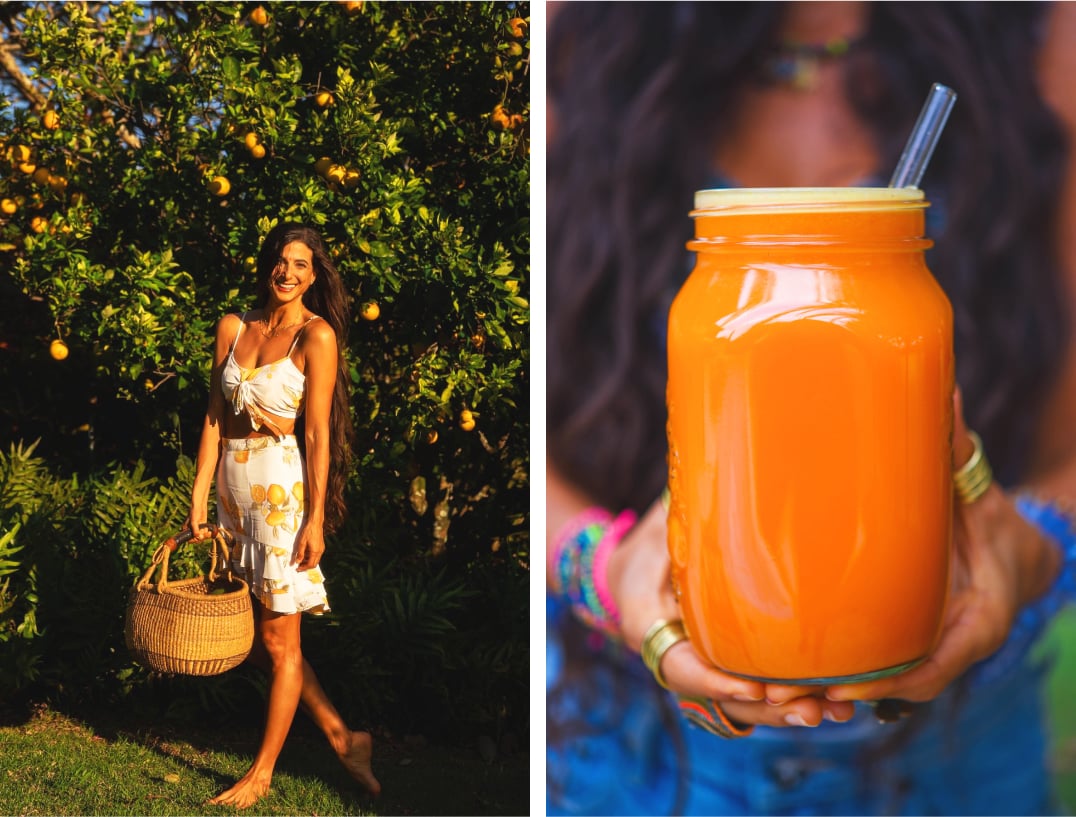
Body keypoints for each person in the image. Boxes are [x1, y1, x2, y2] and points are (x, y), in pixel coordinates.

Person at [546, 2, 1076, 814]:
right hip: (625, 758)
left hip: (959, 765)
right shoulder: (569, 37)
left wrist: (1030, 547)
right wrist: (605, 564)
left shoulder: (1048, 37)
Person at [185, 222, 380, 808]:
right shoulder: (233, 327)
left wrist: (316, 518)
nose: (288, 272)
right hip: (232, 490)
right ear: (267, 264)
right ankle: (345, 739)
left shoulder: (314, 338)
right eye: (281, 260)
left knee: (279, 641)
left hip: (280, 491)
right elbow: (215, 416)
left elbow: (318, 432)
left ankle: (262, 774)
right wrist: (199, 492)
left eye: (301, 264)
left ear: (313, 275)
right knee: (273, 637)